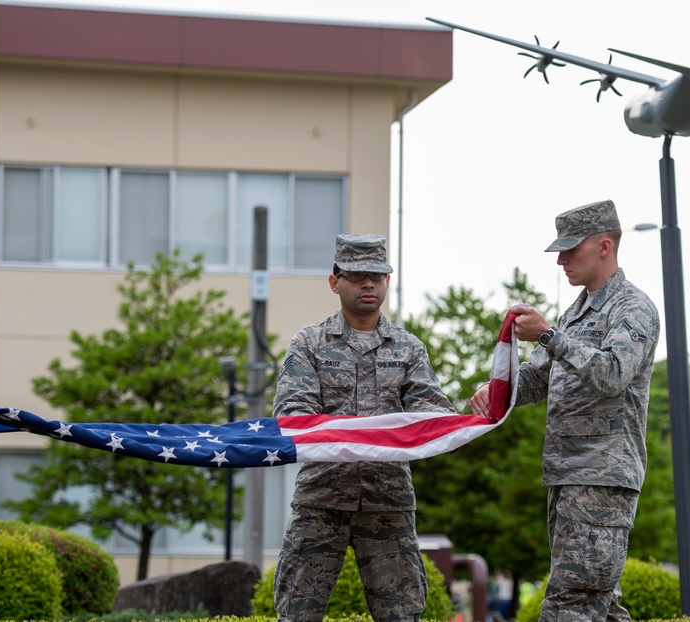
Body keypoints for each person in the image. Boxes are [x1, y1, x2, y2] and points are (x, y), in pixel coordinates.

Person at [470, 199, 660, 622]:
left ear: (605, 245)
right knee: (598, 606)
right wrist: (496, 390)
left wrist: (549, 336)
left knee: (571, 604)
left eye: (571, 248)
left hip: (601, 479)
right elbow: (538, 379)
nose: (561, 260)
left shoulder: (632, 308)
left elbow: (613, 373)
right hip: (568, 477)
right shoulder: (575, 314)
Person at [273, 233, 455, 622]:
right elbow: (293, 414)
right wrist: (360, 433)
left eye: (377, 275)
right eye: (357, 276)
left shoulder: (409, 348)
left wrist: (467, 421)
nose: (368, 284)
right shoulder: (309, 344)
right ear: (335, 282)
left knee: (401, 615)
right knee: (296, 613)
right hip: (321, 500)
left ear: (388, 281)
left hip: (387, 504)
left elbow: (432, 412)